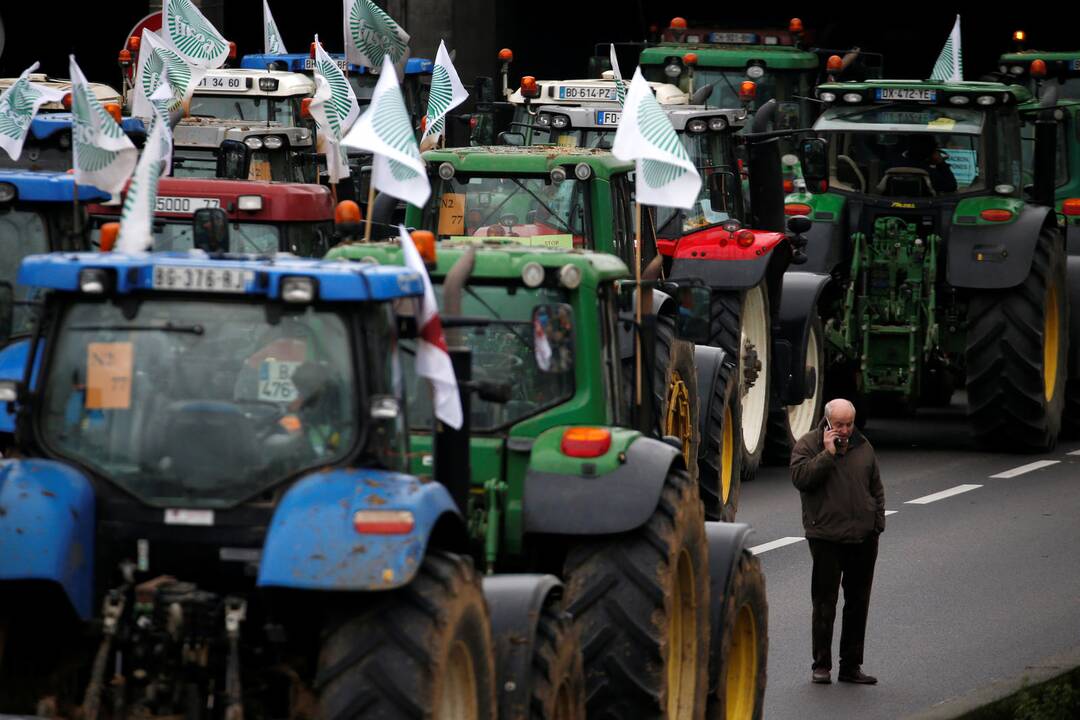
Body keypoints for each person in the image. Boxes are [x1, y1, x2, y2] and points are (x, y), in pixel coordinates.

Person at [790, 398, 885, 685]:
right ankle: (821, 666)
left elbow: (876, 488)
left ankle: (851, 666)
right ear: (827, 421)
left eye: (849, 424)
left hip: (863, 537)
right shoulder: (808, 444)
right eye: (839, 424)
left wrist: (876, 524)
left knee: (858, 603)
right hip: (826, 537)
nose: (844, 430)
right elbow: (800, 479)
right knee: (824, 604)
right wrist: (828, 454)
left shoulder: (864, 446)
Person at [888, 134, 958, 193]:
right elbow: (951, 187)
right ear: (931, 153)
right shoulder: (930, 173)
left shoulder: (891, 164)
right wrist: (941, 163)